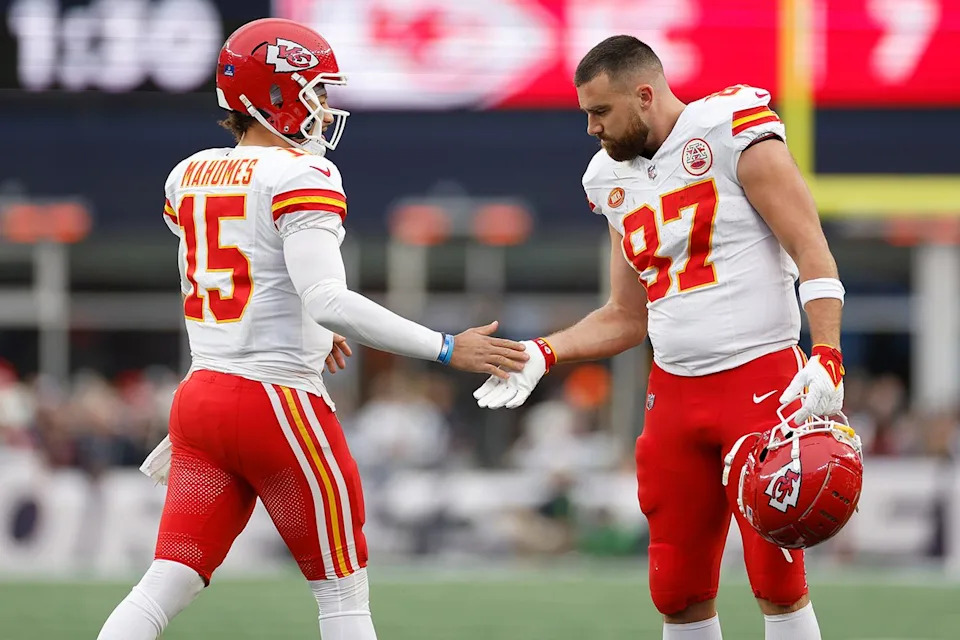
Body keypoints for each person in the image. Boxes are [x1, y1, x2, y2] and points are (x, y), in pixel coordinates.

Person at [97, 17, 527, 640]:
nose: (322, 107)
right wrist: (444, 346)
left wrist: (309, 327)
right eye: (312, 90)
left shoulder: (185, 175)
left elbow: (250, 277)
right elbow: (326, 298)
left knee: (169, 577)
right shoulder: (303, 175)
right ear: (270, 95)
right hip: (275, 400)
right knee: (343, 595)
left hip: (200, 400)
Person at [474, 35, 846, 640]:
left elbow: (813, 251)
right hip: (673, 394)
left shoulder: (732, 131)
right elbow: (627, 314)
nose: (592, 128)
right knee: (676, 590)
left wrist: (827, 352)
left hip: (758, 381)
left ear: (644, 96)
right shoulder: (609, 179)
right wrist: (544, 352)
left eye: (601, 112)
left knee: (777, 581)